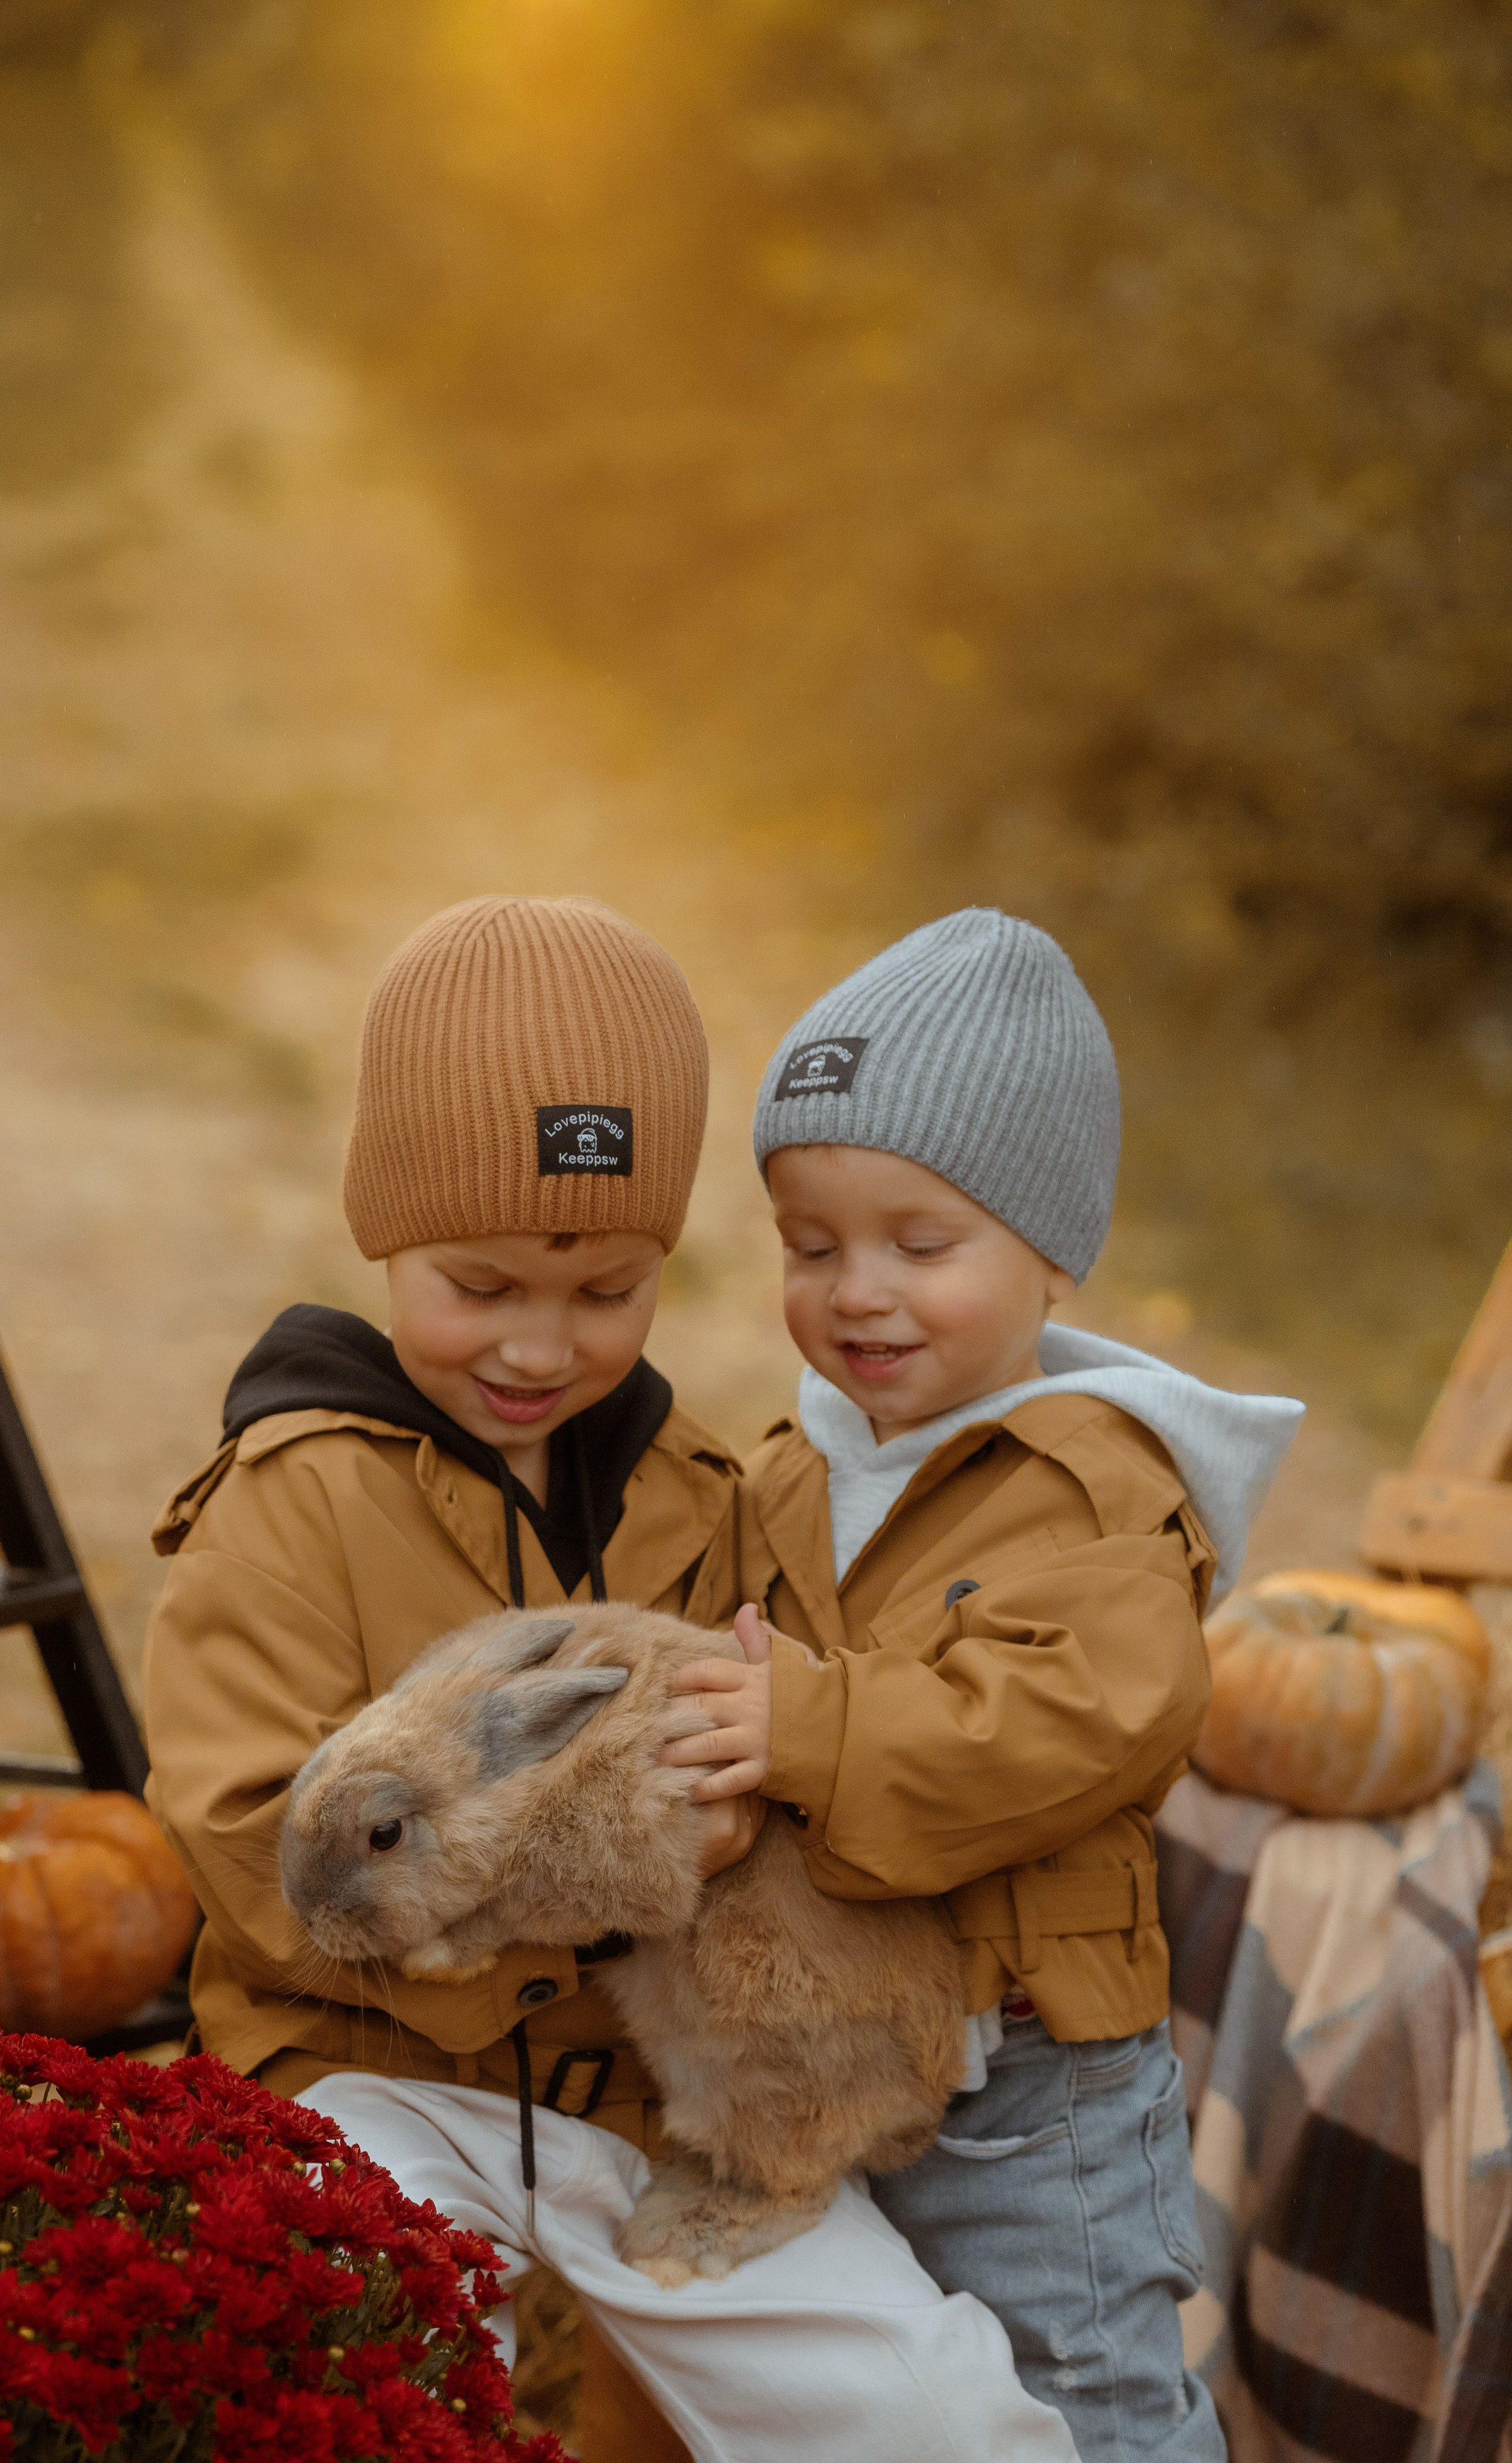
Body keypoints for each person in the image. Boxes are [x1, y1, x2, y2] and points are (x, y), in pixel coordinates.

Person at [143, 893, 1080, 2463]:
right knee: (358, 2367)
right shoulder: (290, 1497)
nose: (539, 1348)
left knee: (934, 2419)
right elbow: (256, 1850)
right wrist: (600, 1887)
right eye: (480, 1286)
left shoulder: (701, 1491)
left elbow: (775, 1768)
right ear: (382, 1232)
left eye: (605, 1292)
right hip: (366, 2072)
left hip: (654, 2094)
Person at [664, 908, 1302, 2462]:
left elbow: (1071, 1723)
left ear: (1050, 1252)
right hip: (827, 2053)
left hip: (1028, 2088)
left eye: (919, 1245)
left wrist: (807, 1726)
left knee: (1080, 2403)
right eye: (811, 1246)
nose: (855, 1293)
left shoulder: (1096, 1490)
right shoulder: (789, 1469)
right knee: (882, 2413)